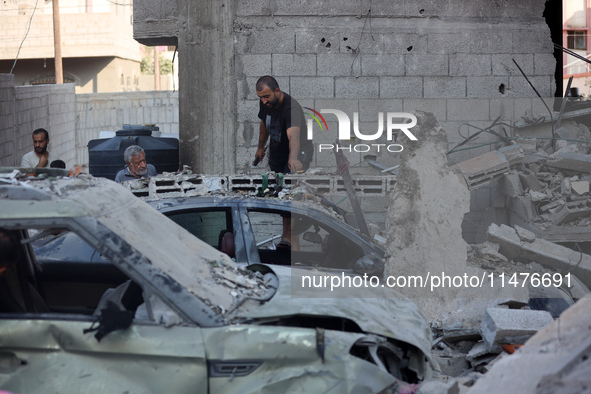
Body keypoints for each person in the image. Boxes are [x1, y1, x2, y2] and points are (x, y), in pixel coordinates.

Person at [254, 76, 313, 174]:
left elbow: (293, 136)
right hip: (278, 152)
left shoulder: (291, 109)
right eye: (261, 97)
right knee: (277, 184)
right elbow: (264, 122)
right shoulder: (266, 103)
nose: (264, 101)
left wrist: (293, 158)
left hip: (297, 151)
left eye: (266, 97)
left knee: (290, 184)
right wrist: (261, 147)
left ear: (277, 91)